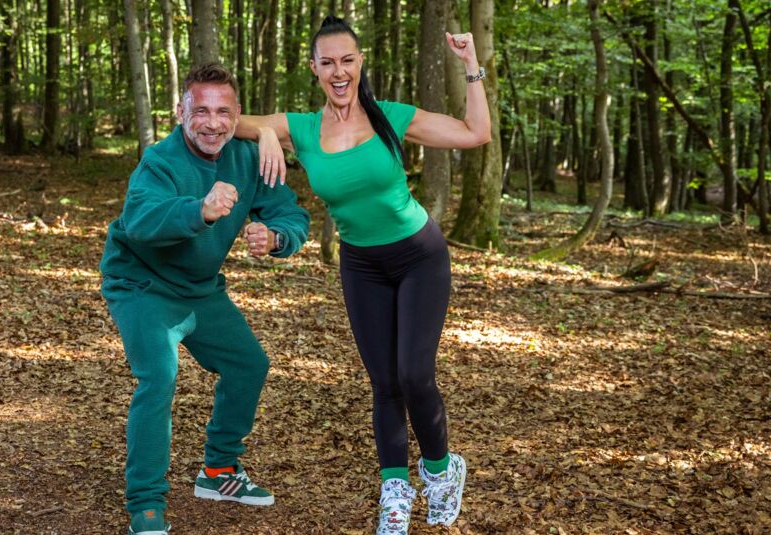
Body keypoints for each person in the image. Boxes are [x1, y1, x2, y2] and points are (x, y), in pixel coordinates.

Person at [236, 16, 491, 535]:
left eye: (347, 60)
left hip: (419, 255)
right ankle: (394, 492)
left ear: (360, 63)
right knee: (384, 382)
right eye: (327, 62)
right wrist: (265, 130)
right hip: (362, 265)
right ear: (314, 69)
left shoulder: (390, 117)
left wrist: (470, 67)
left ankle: (441, 472)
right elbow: (227, 119)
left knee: (414, 374)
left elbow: (475, 134)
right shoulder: (303, 128)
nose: (338, 71)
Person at [100, 62, 310, 535]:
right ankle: (146, 504)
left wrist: (277, 238)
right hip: (142, 285)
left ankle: (219, 473)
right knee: (159, 375)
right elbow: (140, 220)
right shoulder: (160, 160)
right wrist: (200, 210)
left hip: (199, 289)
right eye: (201, 110)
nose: (212, 122)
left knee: (248, 364)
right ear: (181, 111)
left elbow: (291, 214)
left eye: (223, 111)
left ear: (238, 117)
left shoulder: (249, 155)